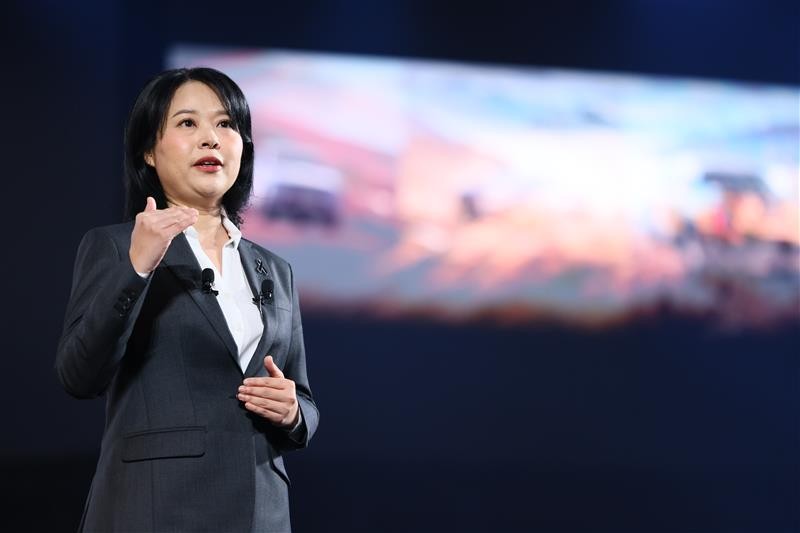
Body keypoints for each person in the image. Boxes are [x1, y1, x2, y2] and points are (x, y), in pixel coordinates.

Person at [55, 67, 319, 532]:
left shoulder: (276, 270)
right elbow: (79, 374)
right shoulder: (115, 247)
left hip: (260, 512)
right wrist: (137, 269)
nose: (210, 138)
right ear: (149, 151)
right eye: (187, 123)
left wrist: (293, 411)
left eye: (225, 124)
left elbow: (304, 399)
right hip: (157, 507)